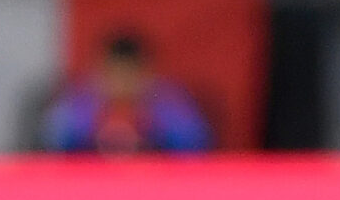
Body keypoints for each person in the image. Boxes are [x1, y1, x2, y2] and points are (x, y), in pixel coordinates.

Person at [43, 30, 213, 155]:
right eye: (115, 74)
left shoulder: (168, 101)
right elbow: (51, 141)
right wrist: (99, 117)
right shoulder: (81, 100)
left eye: (130, 74)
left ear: (148, 72)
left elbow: (195, 144)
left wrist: (149, 120)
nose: (122, 83)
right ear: (100, 71)